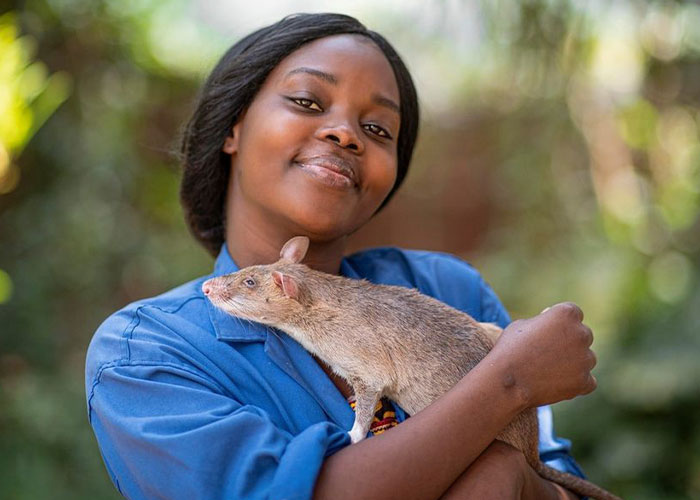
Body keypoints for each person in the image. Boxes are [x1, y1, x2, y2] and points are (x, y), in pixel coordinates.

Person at [85, 13, 597, 500]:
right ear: (232, 127)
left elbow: (555, 476)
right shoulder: (146, 354)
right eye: (308, 101)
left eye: (378, 129)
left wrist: (514, 474)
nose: (345, 133)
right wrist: (506, 384)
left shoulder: (449, 288)